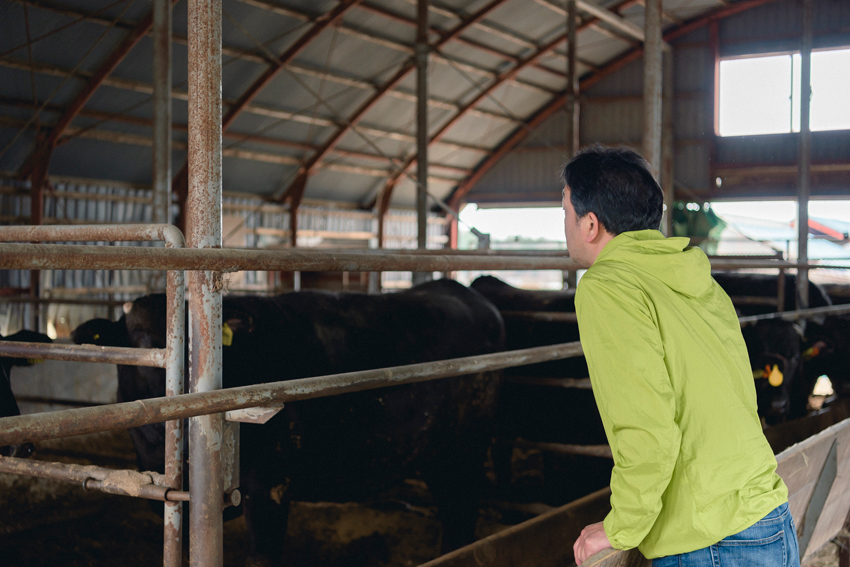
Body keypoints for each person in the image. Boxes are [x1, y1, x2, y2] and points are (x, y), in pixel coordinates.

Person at [564, 146, 798, 567]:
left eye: (566, 213)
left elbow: (646, 428)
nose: (565, 227)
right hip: (769, 521)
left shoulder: (607, 286)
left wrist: (620, 529)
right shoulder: (697, 279)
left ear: (591, 224)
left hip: (710, 541)